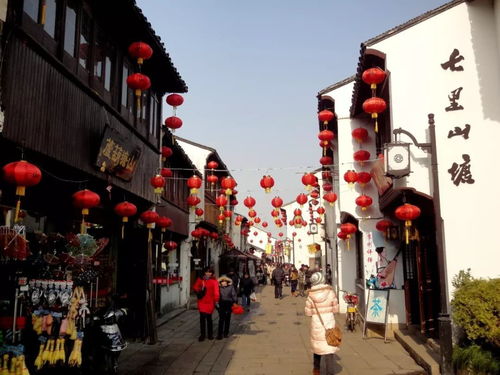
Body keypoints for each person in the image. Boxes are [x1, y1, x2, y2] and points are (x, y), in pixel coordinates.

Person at [305, 272, 339, 375]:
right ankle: (330, 372)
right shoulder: (330, 292)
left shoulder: (310, 295)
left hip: (317, 322)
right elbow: (335, 309)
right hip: (328, 321)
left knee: (317, 346)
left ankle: (316, 370)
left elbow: (308, 312)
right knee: (329, 346)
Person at [193, 267, 220, 341]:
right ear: (204, 272)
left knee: (209, 319)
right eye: (207, 272)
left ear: (212, 273)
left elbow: (216, 292)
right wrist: (200, 289)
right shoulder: (200, 279)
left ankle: (210, 334)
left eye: (210, 272)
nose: (208, 273)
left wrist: (216, 300)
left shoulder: (214, 281)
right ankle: (202, 335)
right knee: (202, 319)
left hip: (210, 302)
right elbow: (195, 287)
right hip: (202, 301)